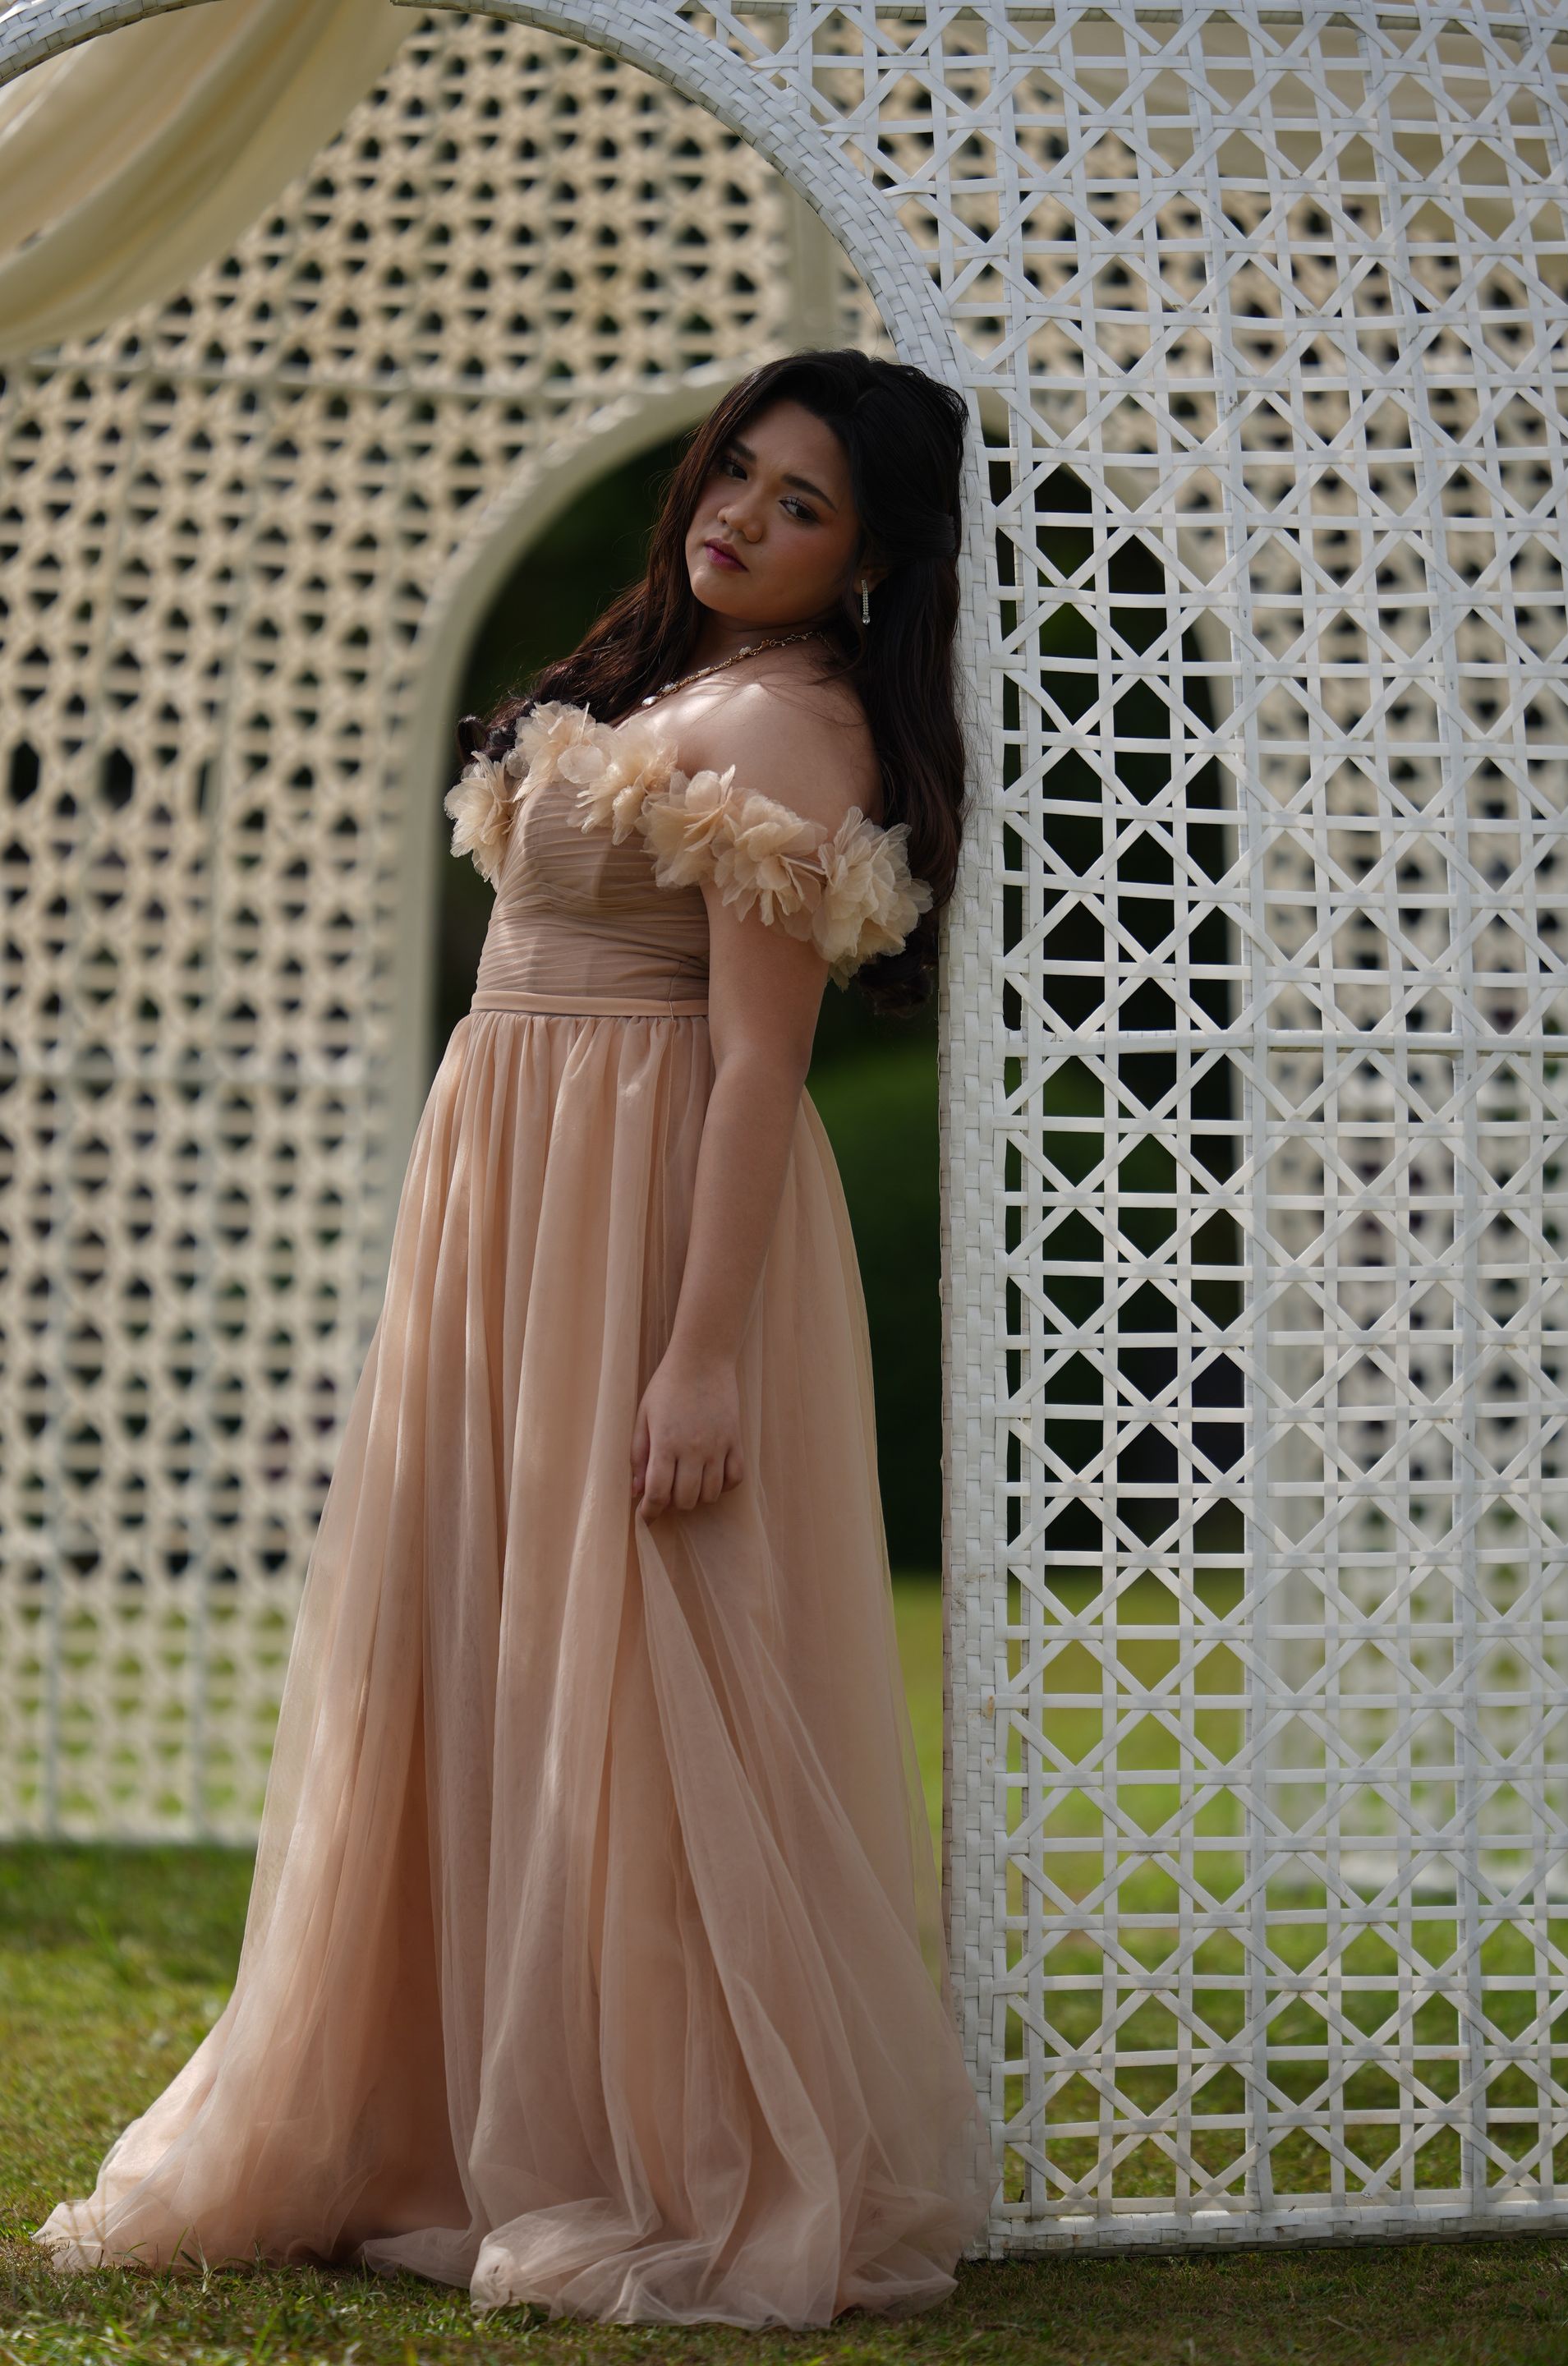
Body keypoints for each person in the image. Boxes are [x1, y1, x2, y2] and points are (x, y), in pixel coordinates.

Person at [32, 346, 996, 2329]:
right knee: (490, 1634)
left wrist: (700, 1355)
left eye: (801, 504)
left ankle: (654, 2140)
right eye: (737, 470)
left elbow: (756, 1066)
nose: (739, 514)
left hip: (633, 1220)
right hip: (518, 1194)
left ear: (873, 559)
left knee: (639, 1660)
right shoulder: (674, 676)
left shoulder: (787, 726)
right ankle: (442, 2110)